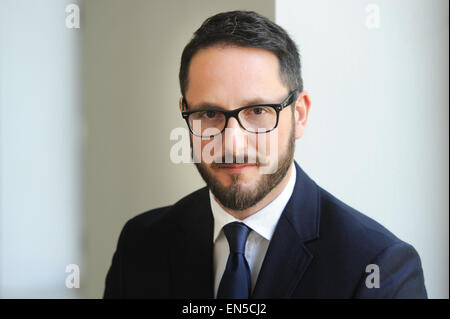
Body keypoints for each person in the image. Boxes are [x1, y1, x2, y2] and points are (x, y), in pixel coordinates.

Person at [103, 10, 427, 299]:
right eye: (210, 114)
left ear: (299, 115)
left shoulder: (377, 266)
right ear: (185, 113)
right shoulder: (141, 244)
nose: (233, 144)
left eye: (258, 110)